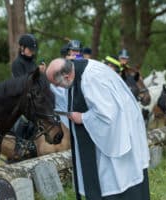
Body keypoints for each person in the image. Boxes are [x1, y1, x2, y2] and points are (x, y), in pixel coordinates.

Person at [46, 58, 150, 200]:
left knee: (118, 180)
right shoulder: (79, 71)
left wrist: (83, 118)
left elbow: (108, 117)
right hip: (123, 129)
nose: (60, 88)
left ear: (66, 76)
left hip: (118, 137)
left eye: (58, 84)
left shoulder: (92, 79)